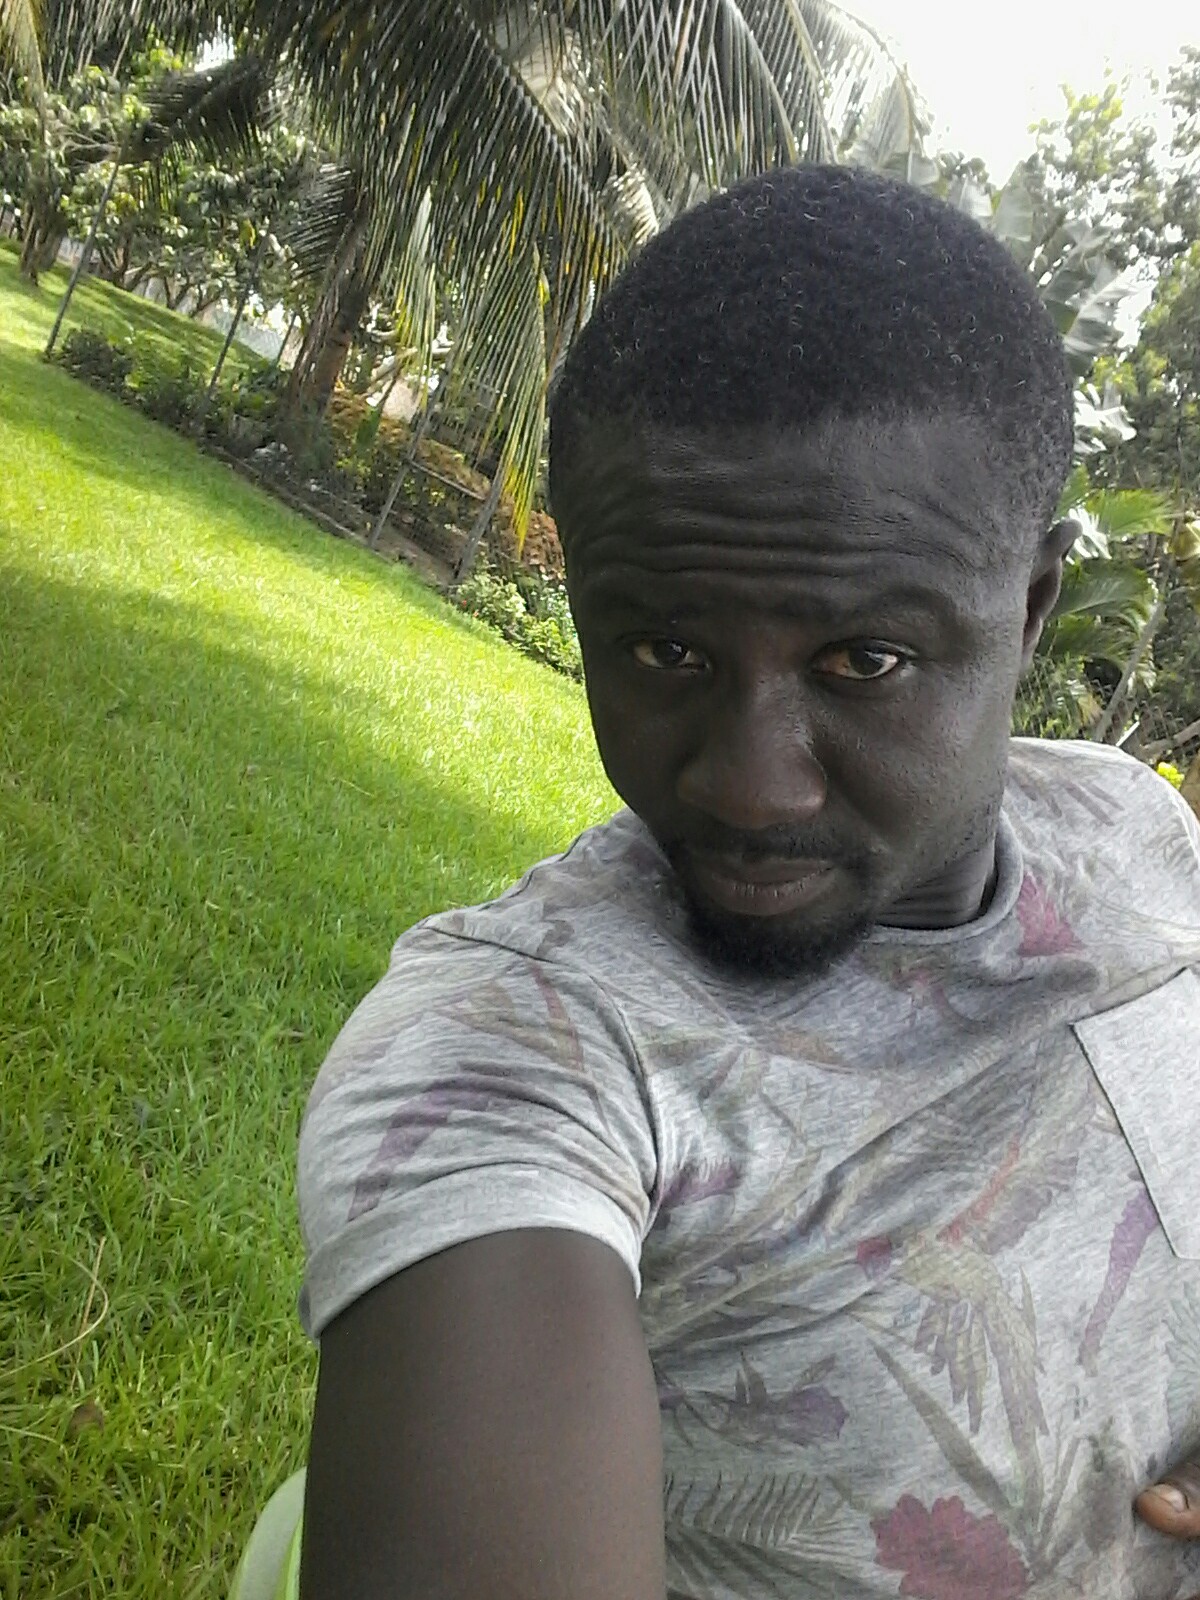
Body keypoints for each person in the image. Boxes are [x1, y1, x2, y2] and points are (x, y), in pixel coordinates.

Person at [294, 166, 1200, 1599]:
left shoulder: (1131, 826)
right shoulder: (515, 1056)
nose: (747, 788)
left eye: (865, 660)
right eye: (665, 651)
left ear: (1027, 612)